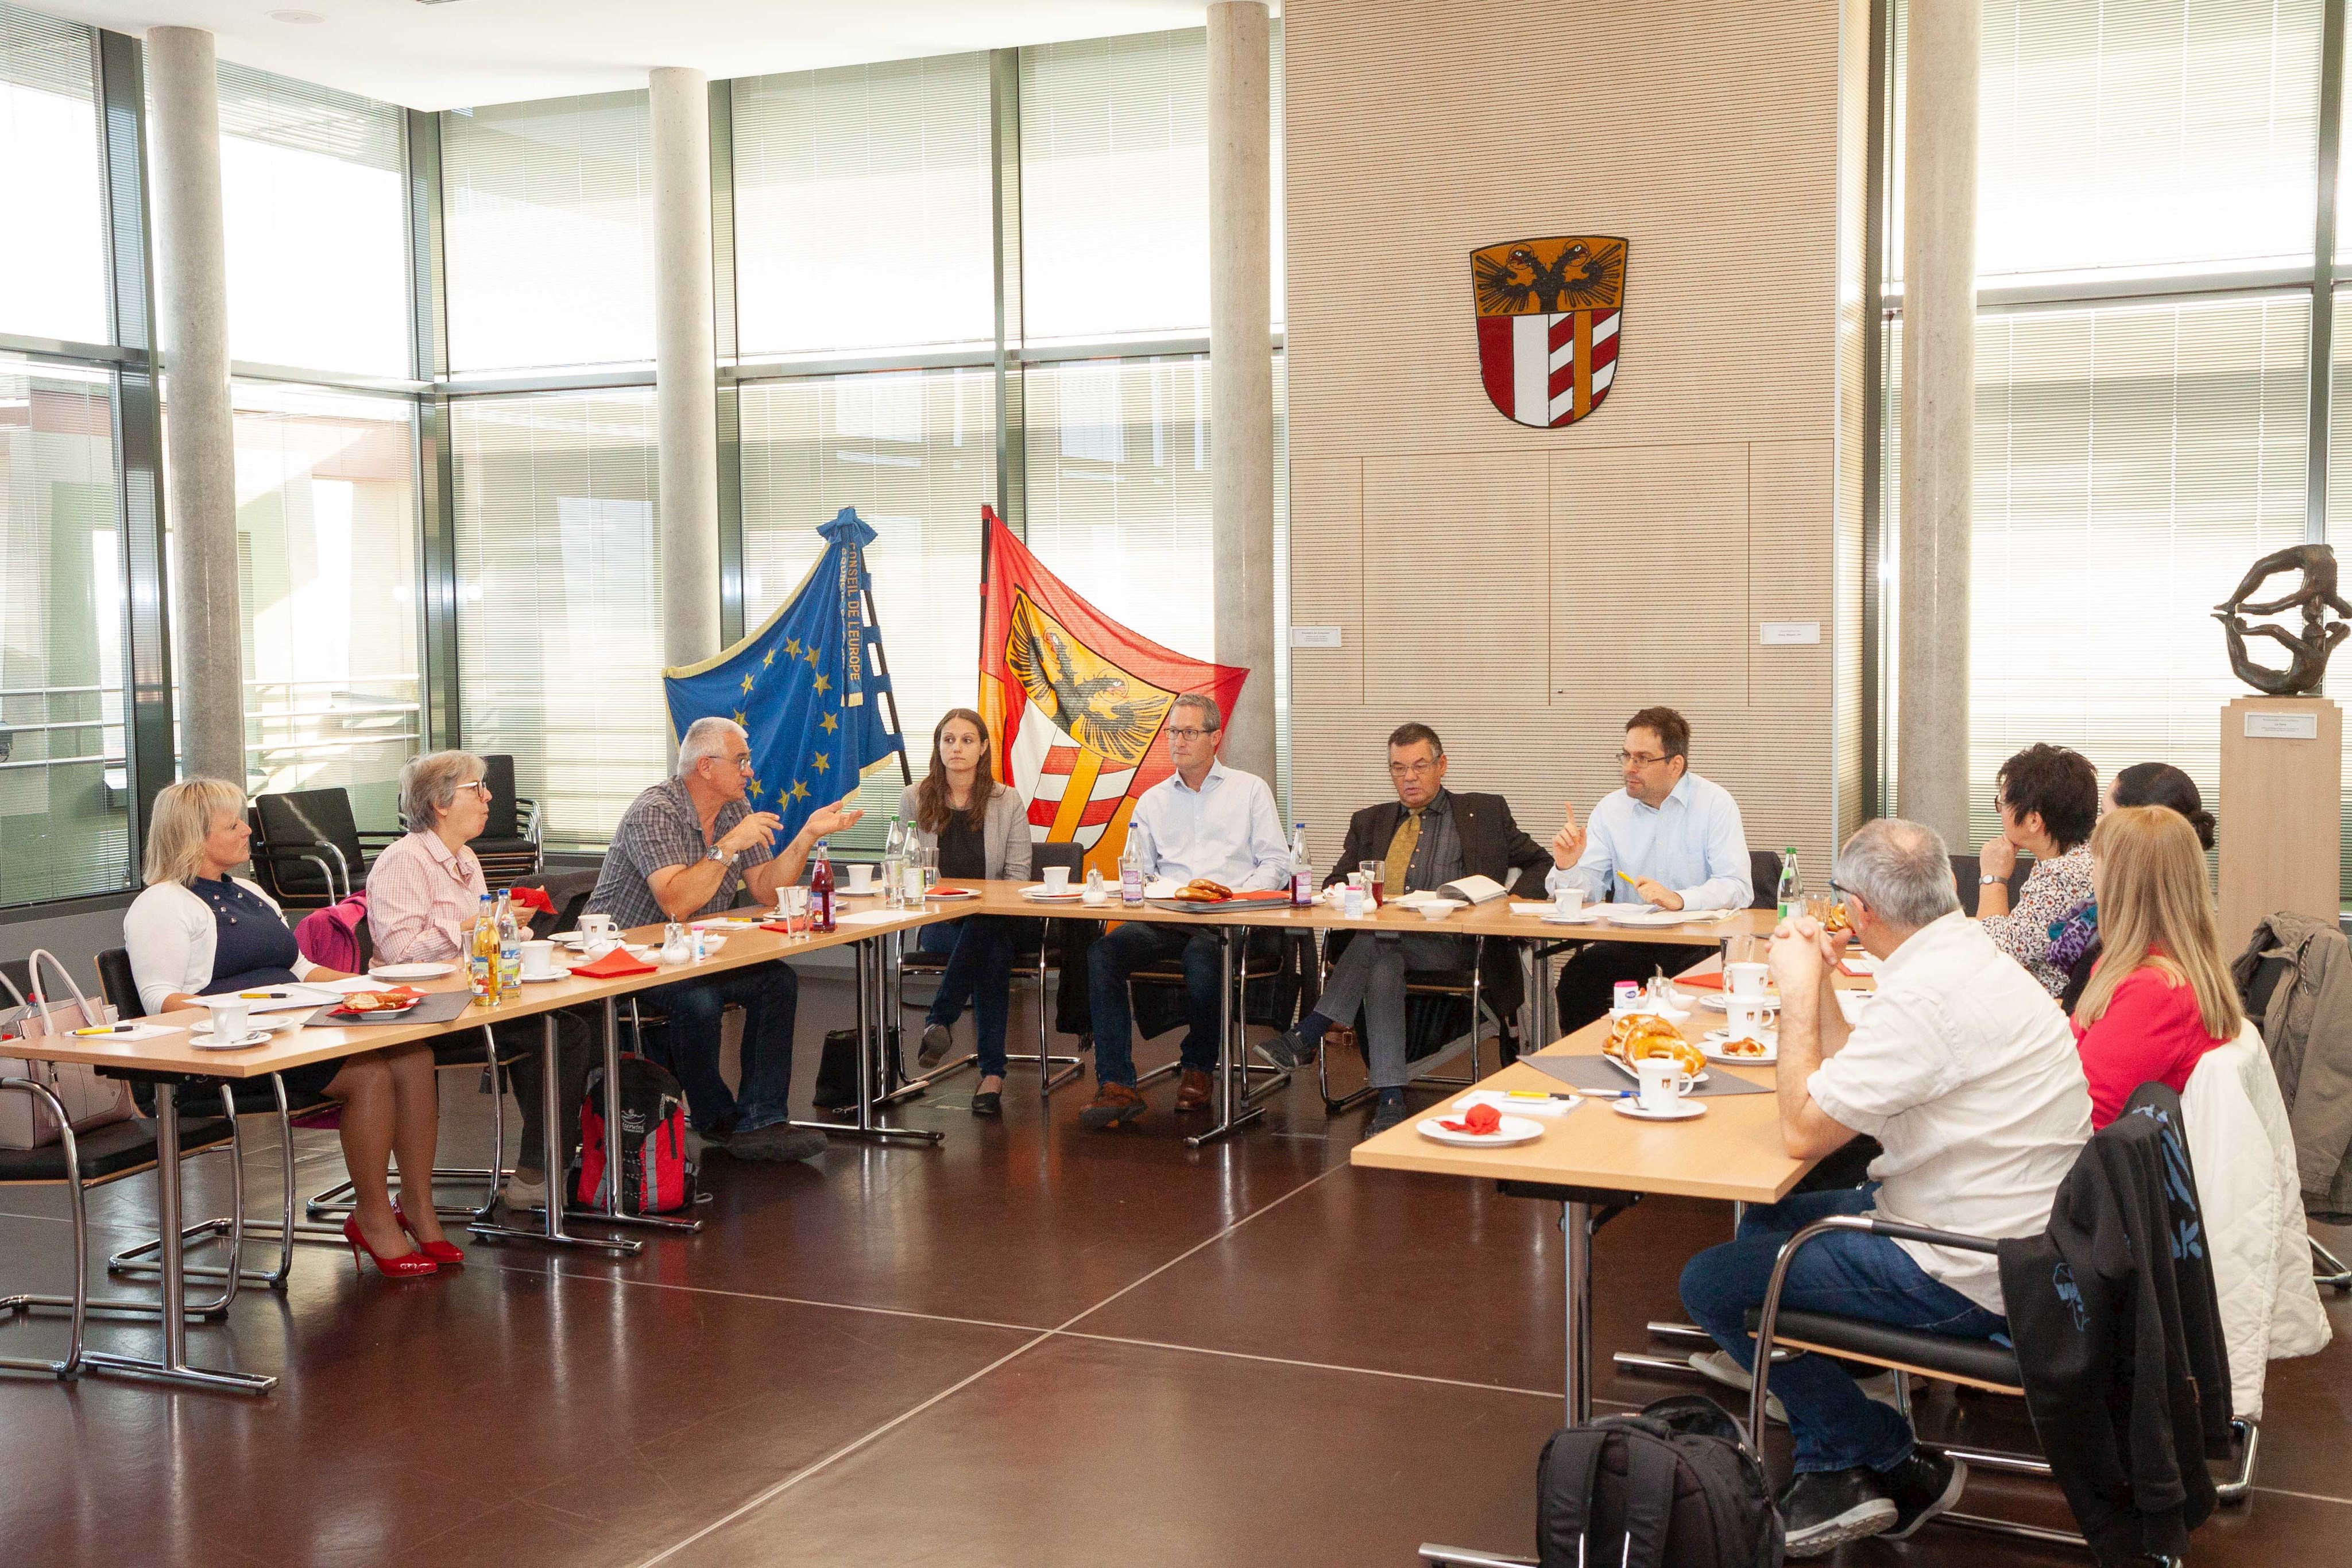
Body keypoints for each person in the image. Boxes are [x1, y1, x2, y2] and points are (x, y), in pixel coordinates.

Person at [1677, 819, 2092, 1557]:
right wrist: (1829, 982)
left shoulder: (1927, 998)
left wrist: (1798, 993)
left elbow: (1804, 1130)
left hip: (1965, 1265)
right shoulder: (1966, 958)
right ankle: (1857, 1454)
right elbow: (1854, 1071)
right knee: (1766, 1225)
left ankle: (1861, 1450)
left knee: (1709, 1282)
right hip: (2013, 1233)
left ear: (1859, 909)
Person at [123, 777, 451, 1279]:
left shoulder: (250, 892)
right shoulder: (161, 904)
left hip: (294, 1029)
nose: (247, 829)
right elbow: (161, 1002)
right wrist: (254, 1009)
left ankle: (419, 1207)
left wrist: (375, 985)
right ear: (194, 834)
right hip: (225, 1056)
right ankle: (372, 1216)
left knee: (414, 1054)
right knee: (369, 1074)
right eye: (232, 823)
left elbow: (301, 969)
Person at [586, 716, 861, 1161]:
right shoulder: (654, 811)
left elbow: (767, 891)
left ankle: (762, 1118)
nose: (750, 770)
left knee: (778, 982)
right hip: (629, 960)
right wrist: (726, 847)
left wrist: (807, 835)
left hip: (694, 957)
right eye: (742, 761)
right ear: (707, 766)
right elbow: (677, 902)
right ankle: (718, 1120)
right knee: (701, 1001)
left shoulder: (734, 809)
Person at [1257, 722, 1550, 1135]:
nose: (1408, 777)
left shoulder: (1483, 812)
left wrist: (1514, 900)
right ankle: (1391, 1096)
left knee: (1377, 943)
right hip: (1386, 944)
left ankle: (1313, 1029)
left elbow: (1541, 861)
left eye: (1419, 766)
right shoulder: (1370, 822)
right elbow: (1332, 884)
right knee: (1382, 956)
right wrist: (1345, 891)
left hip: (1457, 945)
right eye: (1398, 768)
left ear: (1441, 765)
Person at [368, 750, 596, 1213]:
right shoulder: (402, 861)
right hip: (425, 1010)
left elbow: (482, 940)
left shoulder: (465, 857)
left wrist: (513, 927)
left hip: (474, 995)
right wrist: (480, 920)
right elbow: (399, 954)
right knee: (564, 1032)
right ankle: (540, 1169)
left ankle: (556, 1163)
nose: (489, 797)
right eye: (477, 788)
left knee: (571, 1019)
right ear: (440, 802)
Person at [1077, 693, 1290, 1130]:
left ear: (1216, 737)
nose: (1178, 740)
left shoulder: (1249, 790)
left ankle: (1198, 1065)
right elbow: (1141, 870)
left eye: (1189, 732)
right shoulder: (1152, 800)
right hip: (1169, 916)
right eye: (1173, 732)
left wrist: (1232, 897)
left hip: (1227, 920)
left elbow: (1277, 863)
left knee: (1203, 958)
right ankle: (1117, 1081)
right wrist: (1170, 892)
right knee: (1103, 954)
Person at [1547, 706, 1753, 1030]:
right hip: (1631, 936)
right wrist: (1567, 866)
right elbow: (1588, 892)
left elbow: (1737, 886)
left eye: (1642, 759)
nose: (1630, 768)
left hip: (1696, 937)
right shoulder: (1611, 808)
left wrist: (1680, 899)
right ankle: (1590, 1066)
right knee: (1579, 978)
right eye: (1626, 756)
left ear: (1676, 764)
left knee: (1702, 993)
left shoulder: (1715, 804)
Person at [2069, 806, 2242, 1128]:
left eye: (2096, 862)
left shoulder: (2155, 992)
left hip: (2086, 1163)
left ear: (2121, 885)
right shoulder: (2133, 966)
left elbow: (2086, 1116)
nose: (2091, 873)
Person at [901, 708, 1036, 1117]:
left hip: (1002, 917)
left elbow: (1016, 877)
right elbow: (907, 872)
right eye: (948, 739)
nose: (956, 748)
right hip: (942, 922)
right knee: (989, 948)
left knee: (986, 925)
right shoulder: (915, 797)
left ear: (983, 748)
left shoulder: (1006, 799)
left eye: (966, 740)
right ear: (938, 746)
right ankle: (992, 1074)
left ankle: (940, 1018)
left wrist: (982, 904)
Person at [2050, 761, 2217, 1011]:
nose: (2097, 823)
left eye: (2106, 814)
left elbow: (2079, 1031)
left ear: (2136, 830)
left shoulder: (2128, 950)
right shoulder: (2190, 931)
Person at [1974, 742, 2098, 997]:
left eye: (2004, 804)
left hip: (2049, 1009)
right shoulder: (2084, 855)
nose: (2001, 812)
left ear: (2033, 820)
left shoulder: (2063, 875)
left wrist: (1993, 878)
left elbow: (1990, 954)